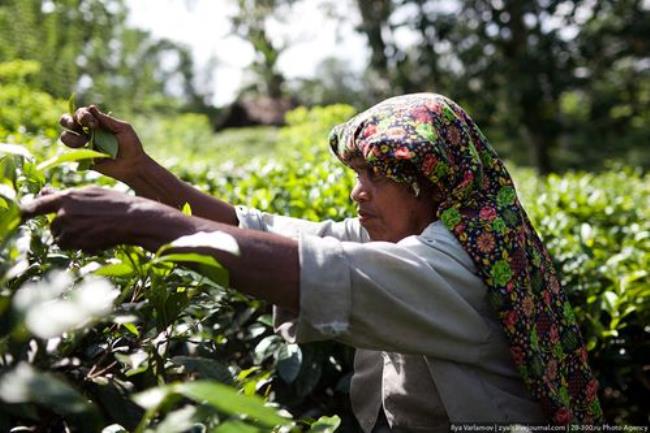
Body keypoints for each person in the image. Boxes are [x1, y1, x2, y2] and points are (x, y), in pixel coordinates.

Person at [22, 93, 603, 431]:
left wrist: (136, 222)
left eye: (376, 177)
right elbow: (267, 233)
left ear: (430, 184)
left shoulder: (459, 268)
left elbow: (313, 272)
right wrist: (141, 176)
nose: (359, 194)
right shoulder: (431, 230)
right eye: (357, 177)